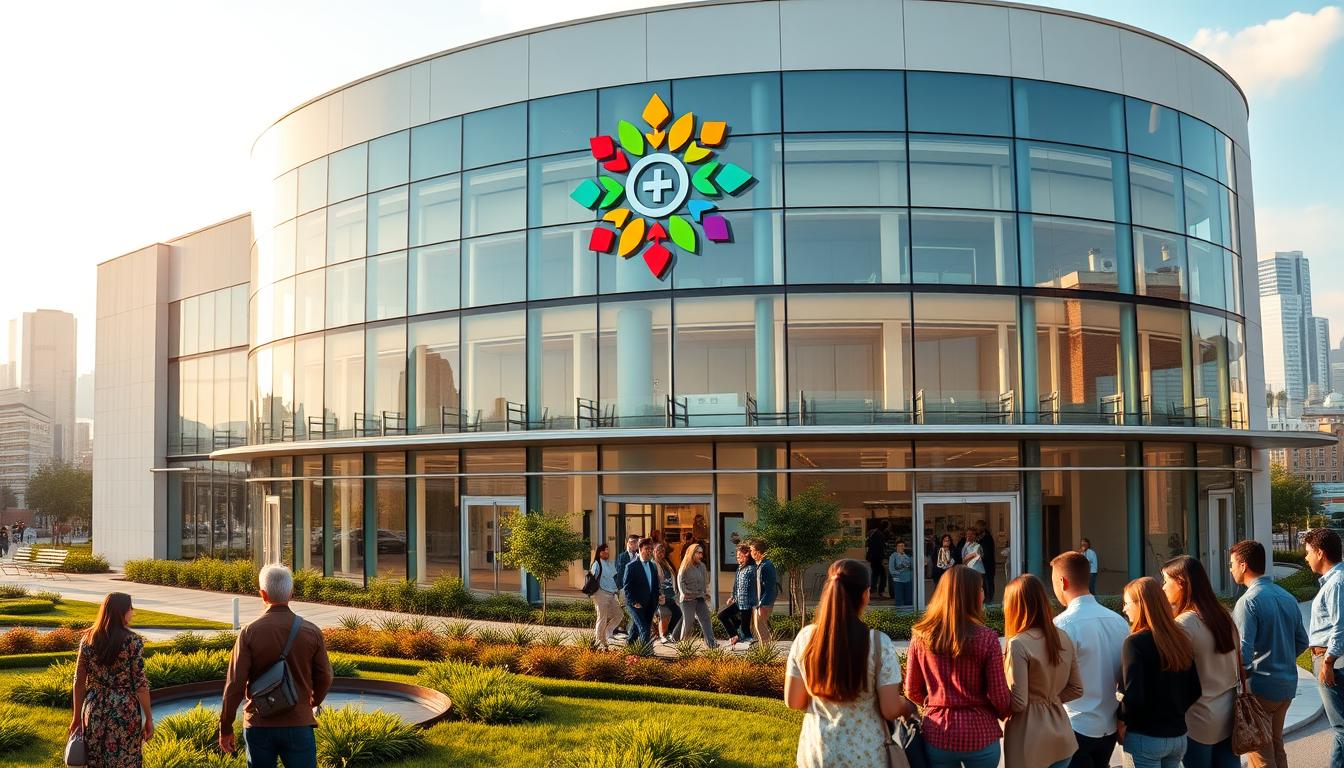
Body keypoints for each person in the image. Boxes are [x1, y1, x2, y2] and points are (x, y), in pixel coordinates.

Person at [785, 559, 915, 767]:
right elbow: (890, 709)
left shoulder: (806, 638)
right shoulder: (878, 644)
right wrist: (908, 707)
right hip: (866, 756)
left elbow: (794, 701)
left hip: (817, 753)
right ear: (865, 595)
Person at [220, 564, 334, 768]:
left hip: (259, 722)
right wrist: (313, 701)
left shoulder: (249, 633)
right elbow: (325, 675)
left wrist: (226, 726)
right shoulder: (311, 631)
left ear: (262, 594)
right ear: (291, 593)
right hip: (298, 722)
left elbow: (235, 684)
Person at [905, 564, 1012, 768]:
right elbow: (999, 696)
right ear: (972, 596)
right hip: (980, 734)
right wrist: (1003, 713)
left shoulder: (920, 636)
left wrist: (935, 702)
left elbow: (911, 690)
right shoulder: (987, 638)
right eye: (980, 589)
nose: (983, 594)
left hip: (938, 734)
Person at [1229, 539, 1310, 768]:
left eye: (1232, 563)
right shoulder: (1287, 596)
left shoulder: (1248, 602)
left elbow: (1242, 654)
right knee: (1276, 746)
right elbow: (1302, 640)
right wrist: (1281, 659)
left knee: (1261, 757)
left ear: (1244, 565)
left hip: (1260, 690)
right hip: (1286, 687)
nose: (1231, 568)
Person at [1050, 550, 1130, 768]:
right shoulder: (1119, 622)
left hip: (1075, 724)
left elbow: (1054, 680)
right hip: (1109, 724)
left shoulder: (1061, 625)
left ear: (1062, 582)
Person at [1161, 556, 1239, 768]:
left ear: (1181, 582)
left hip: (1198, 720)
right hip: (1229, 715)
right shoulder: (1223, 615)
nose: (1163, 587)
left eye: (1166, 581)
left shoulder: (1185, 624)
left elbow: (1169, 673)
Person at [1118, 577, 1202, 768]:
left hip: (1145, 736)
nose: (1124, 609)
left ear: (1142, 605)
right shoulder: (1180, 638)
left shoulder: (1134, 643)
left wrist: (1122, 722)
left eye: (1127, 603)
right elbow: (1196, 688)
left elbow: (1134, 696)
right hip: (1178, 736)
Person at [1002, 574, 1083, 768]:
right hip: (1062, 735)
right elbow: (1077, 689)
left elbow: (1019, 702)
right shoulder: (1062, 636)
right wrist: (1049, 700)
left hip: (1028, 740)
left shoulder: (1018, 643)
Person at [69, 592, 152, 768]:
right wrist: (149, 718)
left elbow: (79, 681)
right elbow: (140, 684)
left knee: (95, 760)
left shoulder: (88, 639)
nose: (133, 612)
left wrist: (76, 717)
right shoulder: (132, 642)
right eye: (131, 608)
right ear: (122, 611)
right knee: (125, 760)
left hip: (94, 708)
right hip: (124, 709)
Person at [1306, 527, 1344, 766]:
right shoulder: (1335, 581)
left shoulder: (1336, 583)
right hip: (1331, 660)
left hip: (1332, 662)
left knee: (1341, 727)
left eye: (1308, 552)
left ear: (1320, 553)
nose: (1306, 557)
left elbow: (1341, 626)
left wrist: (1328, 662)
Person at [621, 537, 660, 645]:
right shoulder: (631, 567)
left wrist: (657, 600)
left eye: (651, 549)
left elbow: (655, 585)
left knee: (636, 630)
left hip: (650, 604)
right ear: (640, 549)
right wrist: (634, 602)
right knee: (644, 629)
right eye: (647, 548)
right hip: (636, 605)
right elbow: (627, 588)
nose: (649, 551)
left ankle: (629, 647)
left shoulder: (652, 566)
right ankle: (644, 655)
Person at [676, 542, 716, 648]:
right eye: (699, 553)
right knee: (688, 622)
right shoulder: (685, 566)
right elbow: (680, 581)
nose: (701, 556)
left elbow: (705, 581)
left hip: (700, 598)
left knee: (706, 620)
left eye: (701, 553)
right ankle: (683, 645)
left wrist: (705, 593)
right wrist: (685, 593)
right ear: (692, 553)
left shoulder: (702, 566)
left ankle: (711, 644)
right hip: (688, 599)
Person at [723, 543, 757, 647]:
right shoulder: (739, 568)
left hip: (747, 604)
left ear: (747, 554)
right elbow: (736, 584)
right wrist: (732, 596)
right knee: (722, 614)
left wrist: (755, 603)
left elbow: (754, 587)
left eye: (739, 555)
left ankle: (749, 645)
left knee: (745, 629)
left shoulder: (752, 569)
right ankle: (736, 634)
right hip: (738, 602)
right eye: (737, 556)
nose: (737, 558)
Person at [588, 544, 620, 650]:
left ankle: (606, 634)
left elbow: (614, 578)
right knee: (602, 618)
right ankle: (599, 641)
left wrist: (617, 590)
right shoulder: (597, 564)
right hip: (600, 593)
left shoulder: (610, 564)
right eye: (605, 551)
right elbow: (592, 578)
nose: (607, 552)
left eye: (608, 550)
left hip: (611, 594)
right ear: (600, 552)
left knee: (619, 615)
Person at [653, 542, 683, 644]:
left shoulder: (666, 563)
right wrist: (658, 594)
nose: (661, 554)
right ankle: (662, 636)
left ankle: (669, 632)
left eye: (662, 552)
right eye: (658, 551)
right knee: (664, 614)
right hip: (661, 595)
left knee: (678, 614)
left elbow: (672, 576)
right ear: (654, 552)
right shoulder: (653, 564)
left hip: (670, 594)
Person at [612, 534, 640, 638]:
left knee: (633, 609)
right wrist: (618, 587)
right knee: (621, 608)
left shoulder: (639, 557)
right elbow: (618, 572)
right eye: (631, 541)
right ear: (627, 542)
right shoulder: (622, 556)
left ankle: (629, 630)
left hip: (636, 588)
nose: (633, 544)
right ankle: (615, 628)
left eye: (635, 542)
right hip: (624, 587)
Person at [751, 539, 777, 646]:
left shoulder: (767, 565)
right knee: (757, 627)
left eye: (752, 550)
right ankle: (762, 650)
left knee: (761, 628)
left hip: (763, 603)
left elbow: (770, 588)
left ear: (757, 551)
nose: (751, 552)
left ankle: (766, 652)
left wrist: (762, 604)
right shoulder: (760, 565)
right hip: (758, 602)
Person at [866, 520, 891, 598]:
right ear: (885, 527)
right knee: (883, 574)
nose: (888, 529)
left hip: (872, 557)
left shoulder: (873, 532)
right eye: (888, 527)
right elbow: (880, 548)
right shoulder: (880, 534)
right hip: (877, 557)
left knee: (875, 574)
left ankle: (873, 591)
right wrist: (883, 558)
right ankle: (881, 592)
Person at [961, 526, 987, 597]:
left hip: (976, 570)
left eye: (972, 534)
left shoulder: (978, 545)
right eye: (968, 534)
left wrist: (965, 560)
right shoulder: (964, 545)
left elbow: (974, 555)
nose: (969, 536)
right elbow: (962, 557)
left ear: (975, 536)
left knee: (977, 589)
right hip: (967, 570)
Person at [888, 540, 914, 608]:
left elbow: (912, 567)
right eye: (899, 546)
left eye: (902, 546)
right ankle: (899, 614)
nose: (901, 547)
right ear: (896, 547)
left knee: (909, 599)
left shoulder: (908, 556)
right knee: (899, 599)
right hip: (898, 580)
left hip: (908, 580)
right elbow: (891, 569)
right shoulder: (893, 556)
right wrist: (898, 573)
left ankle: (909, 614)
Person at [977, 521, 997, 599]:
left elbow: (987, 552)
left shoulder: (987, 538)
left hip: (988, 565)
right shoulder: (980, 537)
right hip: (982, 564)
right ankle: (985, 597)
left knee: (988, 582)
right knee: (984, 583)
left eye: (978, 527)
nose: (977, 529)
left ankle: (989, 599)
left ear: (983, 527)